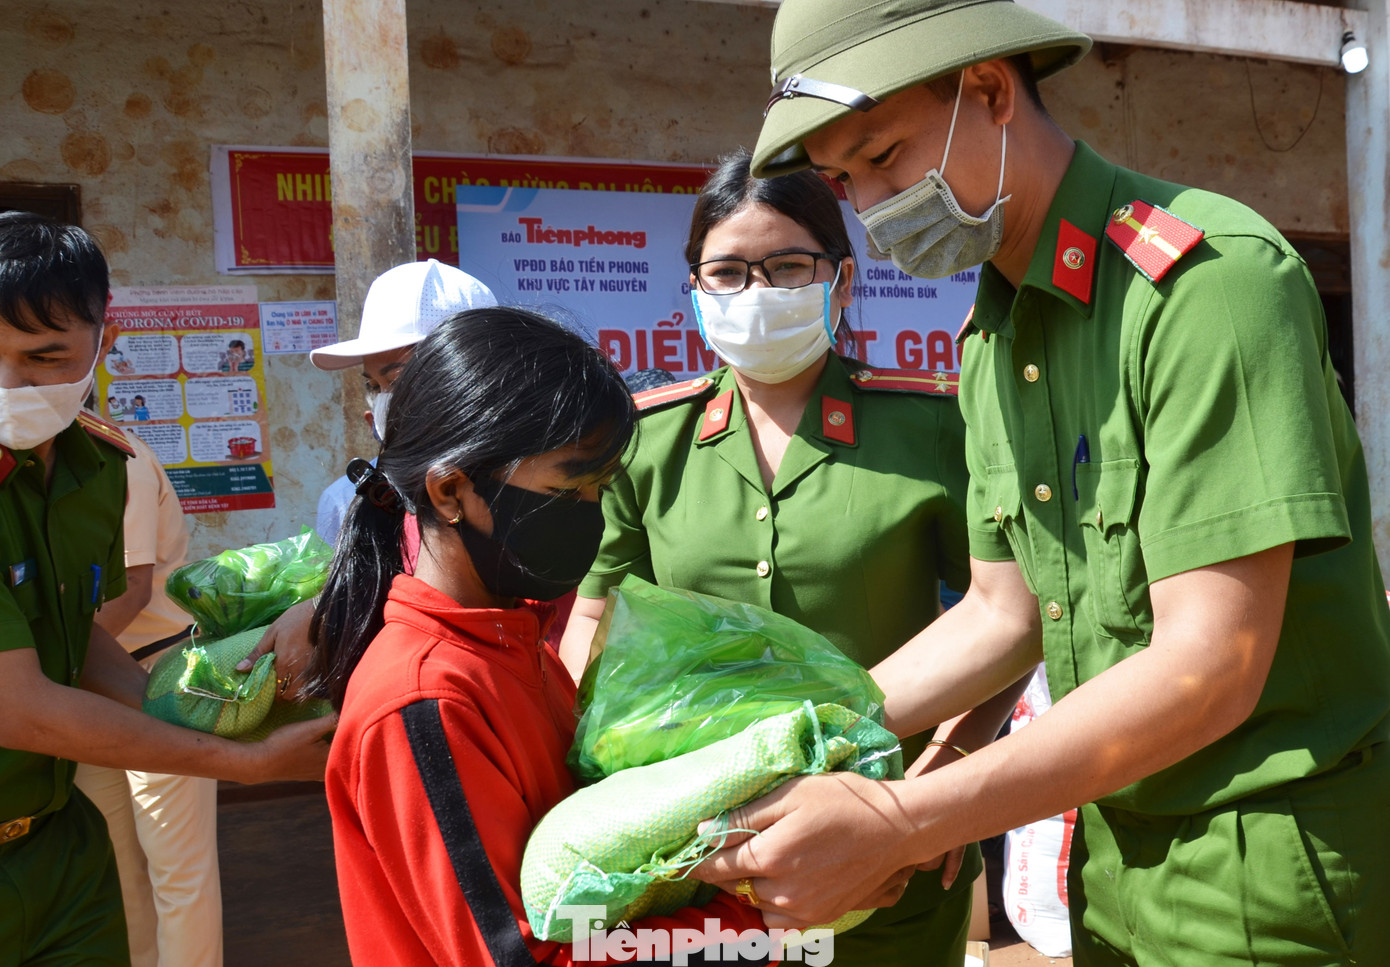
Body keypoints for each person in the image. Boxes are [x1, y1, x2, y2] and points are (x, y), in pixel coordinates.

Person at [692, 2, 1390, 965]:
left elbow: (1210, 664)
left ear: (987, 90)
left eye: (886, 157)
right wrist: (785, 736)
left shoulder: (1205, 287)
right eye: (848, 181)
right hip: (1111, 862)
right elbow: (1000, 612)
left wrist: (904, 817)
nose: (873, 209)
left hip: (1264, 860)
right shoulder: (993, 338)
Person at [558, 149, 985, 967]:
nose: (755, 292)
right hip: (698, 853)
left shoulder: (932, 430)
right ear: (695, 290)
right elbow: (590, 616)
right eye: (727, 271)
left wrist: (943, 775)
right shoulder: (647, 442)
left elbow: (1003, 616)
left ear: (844, 281)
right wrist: (630, 778)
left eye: (787, 266)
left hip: (884, 837)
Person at [305, 307, 767, 965]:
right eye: (571, 486)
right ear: (451, 489)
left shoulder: (519, 645)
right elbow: (522, 956)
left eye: (601, 488)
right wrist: (757, 924)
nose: (593, 516)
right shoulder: (425, 701)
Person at [0, 211, 334, 966]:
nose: (9, 386)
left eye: (44, 356)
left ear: (102, 343)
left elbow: (70, 633)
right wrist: (235, 758)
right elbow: (19, 706)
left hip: (55, 838)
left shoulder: (94, 470)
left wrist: (217, 717)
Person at [73, 427, 222, 967]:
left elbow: (131, 590)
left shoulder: (113, 454)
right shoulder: (35, 467)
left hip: (160, 677)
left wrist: (47, 674)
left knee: (178, 871)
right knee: (114, 866)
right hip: (86, 685)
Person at [311, 258, 496, 545]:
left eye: (397, 381)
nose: (385, 403)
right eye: (374, 386)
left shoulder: (535, 479)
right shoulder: (347, 501)